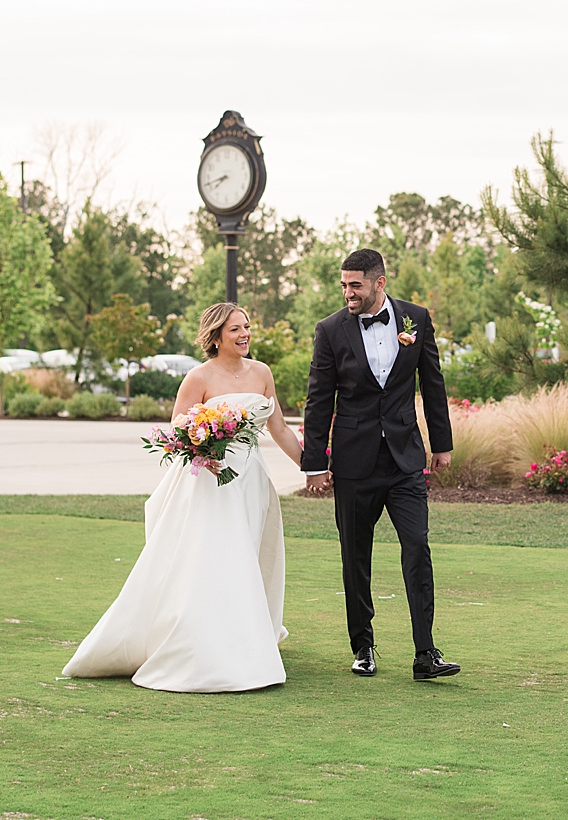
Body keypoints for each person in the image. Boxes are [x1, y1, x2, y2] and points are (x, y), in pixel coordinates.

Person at [63, 302, 302, 692]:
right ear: (216, 336)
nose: (244, 335)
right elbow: (179, 427)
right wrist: (204, 445)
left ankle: (245, 632)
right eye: (235, 330)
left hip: (251, 483)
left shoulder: (262, 373)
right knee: (216, 557)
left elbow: (278, 428)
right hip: (209, 484)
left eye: (246, 327)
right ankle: (203, 643)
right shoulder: (198, 376)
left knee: (250, 556)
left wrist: (312, 468)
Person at [301, 248, 459, 681]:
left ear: (379, 283)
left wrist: (441, 444)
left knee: (418, 548)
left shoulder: (416, 319)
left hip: (405, 459)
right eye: (344, 285)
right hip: (353, 461)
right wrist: (315, 463)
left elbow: (433, 382)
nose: (348, 293)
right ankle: (363, 647)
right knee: (355, 557)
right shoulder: (330, 330)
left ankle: (425, 653)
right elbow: (318, 398)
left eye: (356, 285)